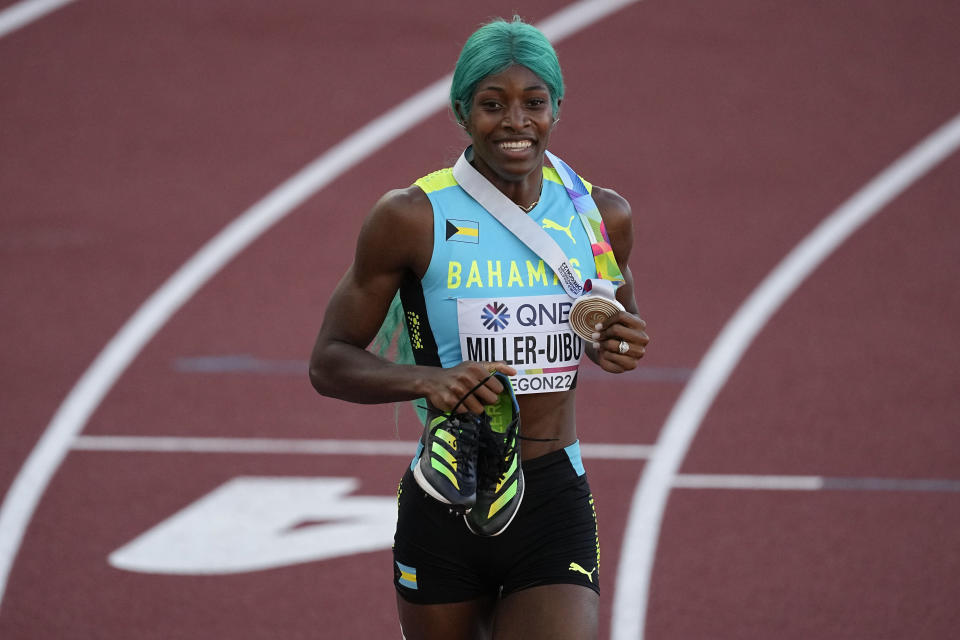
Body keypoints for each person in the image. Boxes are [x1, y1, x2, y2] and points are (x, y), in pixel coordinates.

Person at [309, 16, 649, 640]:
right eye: (493, 105)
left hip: (550, 489)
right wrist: (426, 381)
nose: (516, 122)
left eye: (533, 104)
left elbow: (610, 323)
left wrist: (615, 345)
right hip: (447, 491)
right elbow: (328, 360)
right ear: (463, 114)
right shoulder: (411, 216)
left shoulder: (601, 216)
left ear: (556, 110)